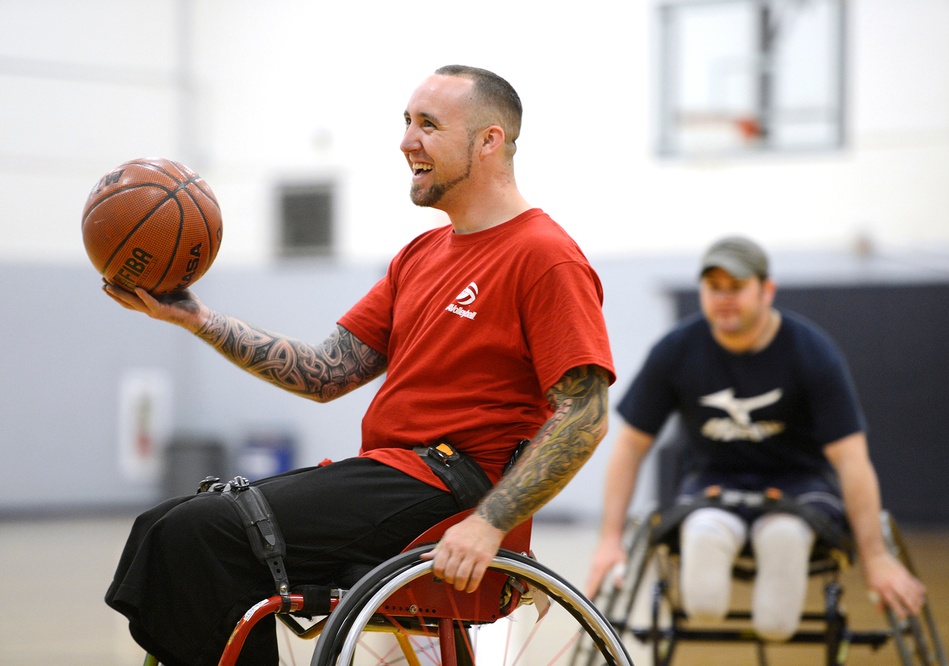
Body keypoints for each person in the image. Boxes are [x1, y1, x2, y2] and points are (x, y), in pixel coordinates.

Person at [104, 64, 615, 666]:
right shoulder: (420, 256)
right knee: (165, 527)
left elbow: (585, 414)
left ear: (489, 140)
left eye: (428, 125)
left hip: (455, 486)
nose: (406, 141)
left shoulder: (544, 256)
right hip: (394, 474)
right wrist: (198, 319)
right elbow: (325, 373)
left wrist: (488, 522)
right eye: (406, 122)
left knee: (199, 535)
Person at [584, 236, 924, 642]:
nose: (724, 298)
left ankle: (782, 548)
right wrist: (609, 541)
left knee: (778, 604)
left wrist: (875, 557)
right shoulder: (676, 350)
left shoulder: (811, 351)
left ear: (767, 290)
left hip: (798, 487)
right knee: (703, 594)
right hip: (713, 484)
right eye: (714, 287)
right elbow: (630, 446)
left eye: (736, 287)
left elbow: (851, 460)